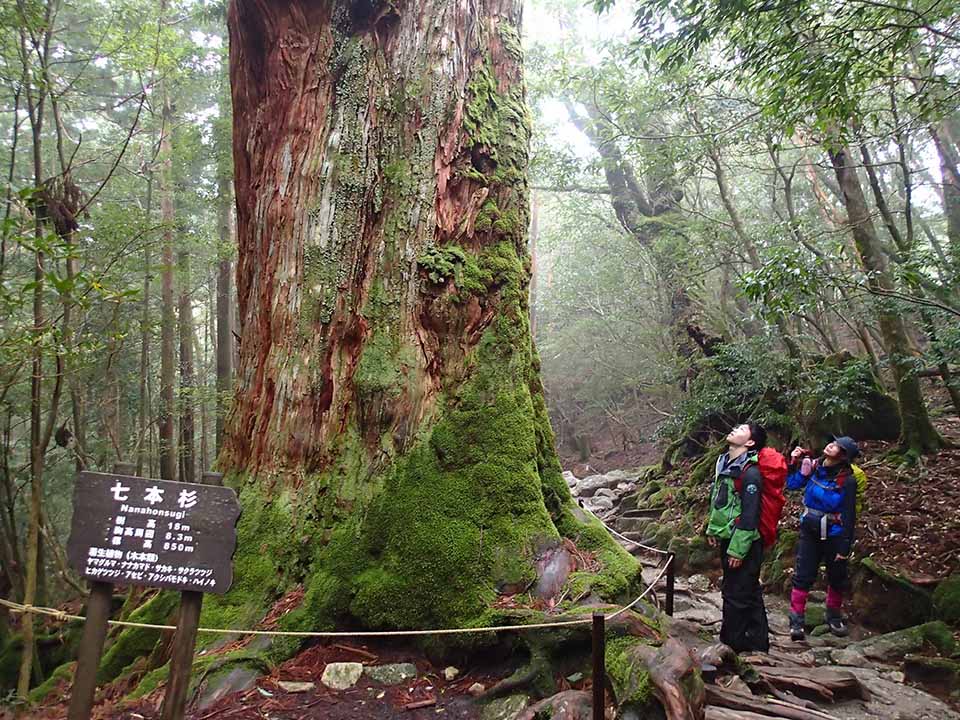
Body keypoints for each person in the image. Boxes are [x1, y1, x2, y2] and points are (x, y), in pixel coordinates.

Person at [786, 435, 860, 641]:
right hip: (810, 529)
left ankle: (833, 616)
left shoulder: (848, 480)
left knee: (837, 575)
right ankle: (796, 621)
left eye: (838, 447)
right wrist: (794, 463)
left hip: (835, 533)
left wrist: (845, 547)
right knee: (803, 574)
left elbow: (849, 514)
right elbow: (792, 484)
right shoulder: (814, 466)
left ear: (844, 456)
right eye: (833, 442)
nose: (831, 445)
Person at [705, 422, 770, 653]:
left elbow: (751, 513)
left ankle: (730, 646)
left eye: (742, 430)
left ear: (750, 442)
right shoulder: (725, 463)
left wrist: (737, 549)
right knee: (748, 591)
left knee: (735, 594)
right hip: (729, 536)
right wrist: (713, 529)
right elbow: (720, 500)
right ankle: (757, 644)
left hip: (745, 542)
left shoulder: (750, 473)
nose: (734, 430)